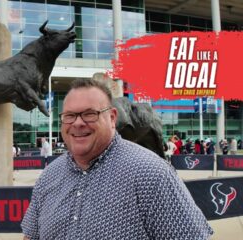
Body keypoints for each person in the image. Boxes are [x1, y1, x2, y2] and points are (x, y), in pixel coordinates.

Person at [21, 79, 212, 240]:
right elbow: (30, 236)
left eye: (89, 114)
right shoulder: (48, 176)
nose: (78, 123)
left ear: (112, 118)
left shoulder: (152, 174)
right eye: (70, 115)